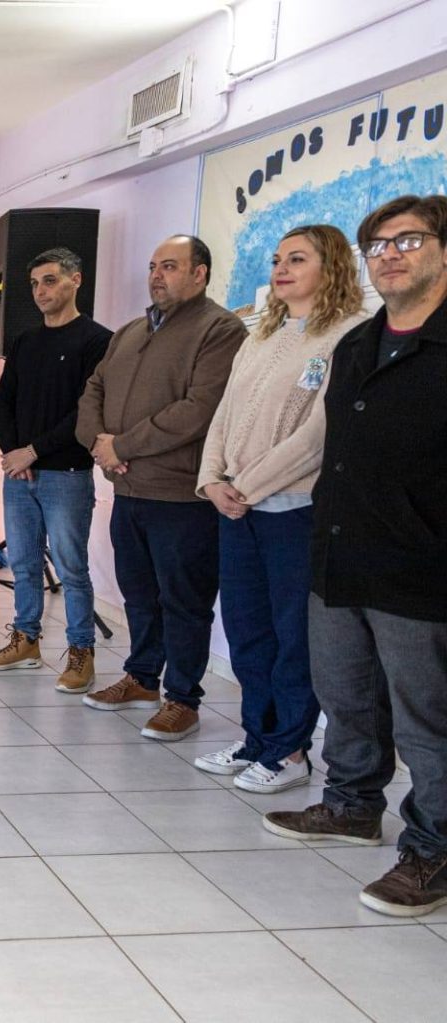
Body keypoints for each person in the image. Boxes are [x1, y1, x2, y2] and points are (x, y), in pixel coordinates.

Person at [263, 195, 447, 918]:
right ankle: (351, 804)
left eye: (409, 240)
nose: (389, 255)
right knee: (346, 696)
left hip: (420, 565)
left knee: (427, 719)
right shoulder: (358, 344)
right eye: (377, 245)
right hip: (340, 553)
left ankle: (433, 848)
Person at [195, 225, 366, 792]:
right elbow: (224, 415)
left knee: (293, 636)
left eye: (297, 259)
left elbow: (320, 435)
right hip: (236, 509)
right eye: (277, 260)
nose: (281, 269)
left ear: (331, 267)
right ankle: (257, 739)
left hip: (294, 513)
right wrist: (212, 480)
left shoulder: (349, 335)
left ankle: (290, 751)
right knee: (247, 632)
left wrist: (244, 486)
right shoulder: (260, 335)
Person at [75, 235, 244, 741]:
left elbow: (200, 409)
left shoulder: (220, 330)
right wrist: (99, 444)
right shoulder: (131, 330)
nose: (156, 276)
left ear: (200, 273)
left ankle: (183, 699)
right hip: (128, 492)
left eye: (169, 266)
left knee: (184, 601)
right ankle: (142, 678)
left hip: (182, 498)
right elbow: (93, 389)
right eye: (153, 266)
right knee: (139, 595)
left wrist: (123, 445)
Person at [0, 248, 110, 692]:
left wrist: (32, 452)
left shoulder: (97, 340)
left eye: (50, 281)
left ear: (77, 280)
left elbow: (85, 412)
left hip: (66, 474)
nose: (40, 291)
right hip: (21, 475)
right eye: (35, 283)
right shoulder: (24, 340)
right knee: (23, 563)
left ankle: (81, 653)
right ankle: (26, 640)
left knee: (71, 568)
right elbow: (5, 401)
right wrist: (13, 453)